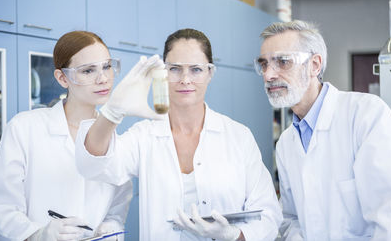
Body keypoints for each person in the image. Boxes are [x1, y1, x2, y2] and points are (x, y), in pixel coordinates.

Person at [75, 28, 283, 241]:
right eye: (175, 69)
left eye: (196, 69)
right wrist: (111, 112)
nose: (185, 79)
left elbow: (268, 215)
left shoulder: (238, 136)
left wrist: (233, 235)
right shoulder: (144, 136)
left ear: (210, 73)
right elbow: (93, 166)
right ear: (163, 73)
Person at [254, 20, 391, 240]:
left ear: (314, 65)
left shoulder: (365, 115)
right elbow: (292, 219)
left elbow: (389, 217)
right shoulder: (286, 143)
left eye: (282, 62)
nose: (268, 75)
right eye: (264, 64)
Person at [0, 31, 133, 241]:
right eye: (88, 70)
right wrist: (37, 235)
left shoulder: (114, 139)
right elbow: (2, 206)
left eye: (107, 66)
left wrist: (110, 226)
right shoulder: (25, 128)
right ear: (62, 78)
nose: (103, 78)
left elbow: (116, 208)